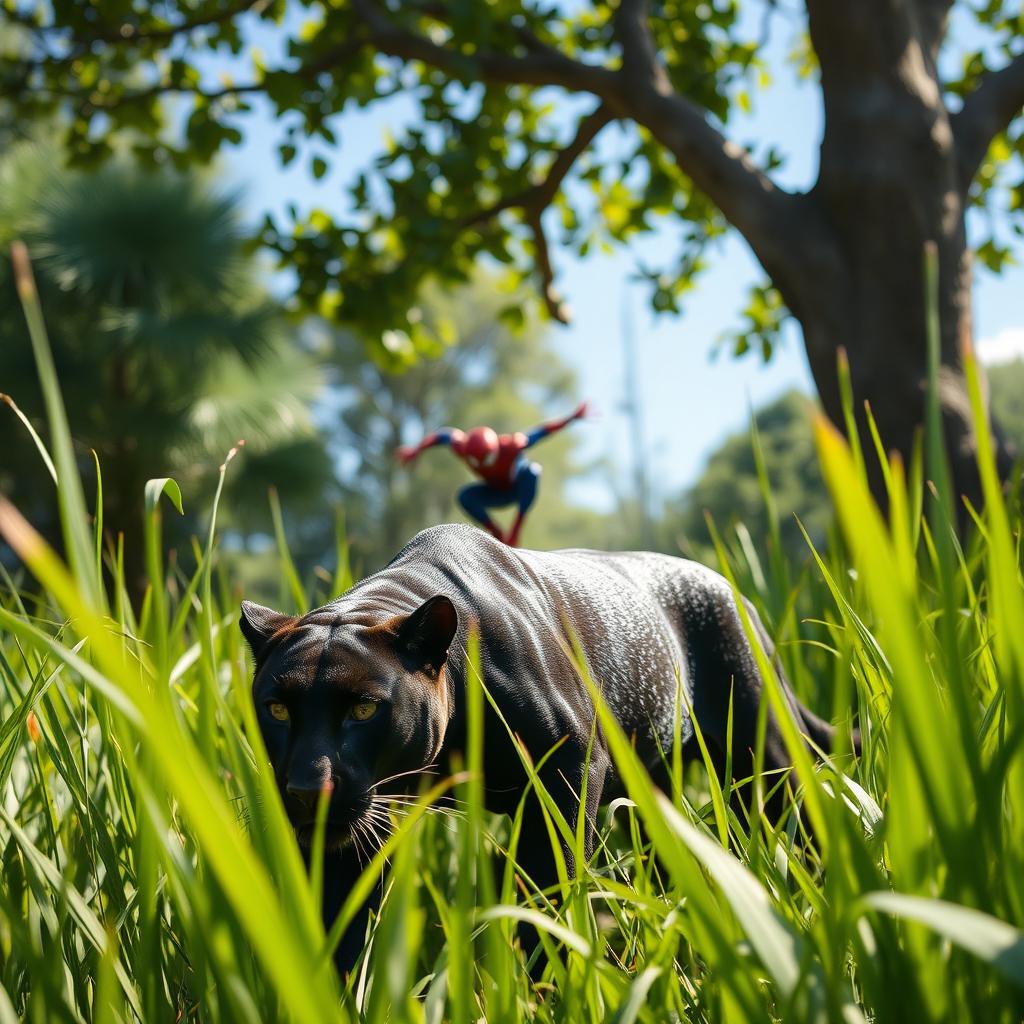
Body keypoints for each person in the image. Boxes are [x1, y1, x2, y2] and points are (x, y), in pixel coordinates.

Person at [396, 402, 588, 546]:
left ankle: (514, 533)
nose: (482, 465)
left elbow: (542, 431)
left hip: (516, 488)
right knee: (464, 496)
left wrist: (572, 418)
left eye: (486, 460)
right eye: (476, 462)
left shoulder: (511, 445)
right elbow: (442, 436)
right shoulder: (462, 446)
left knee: (533, 472)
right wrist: (416, 450)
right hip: (494, 491)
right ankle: (497, 533)